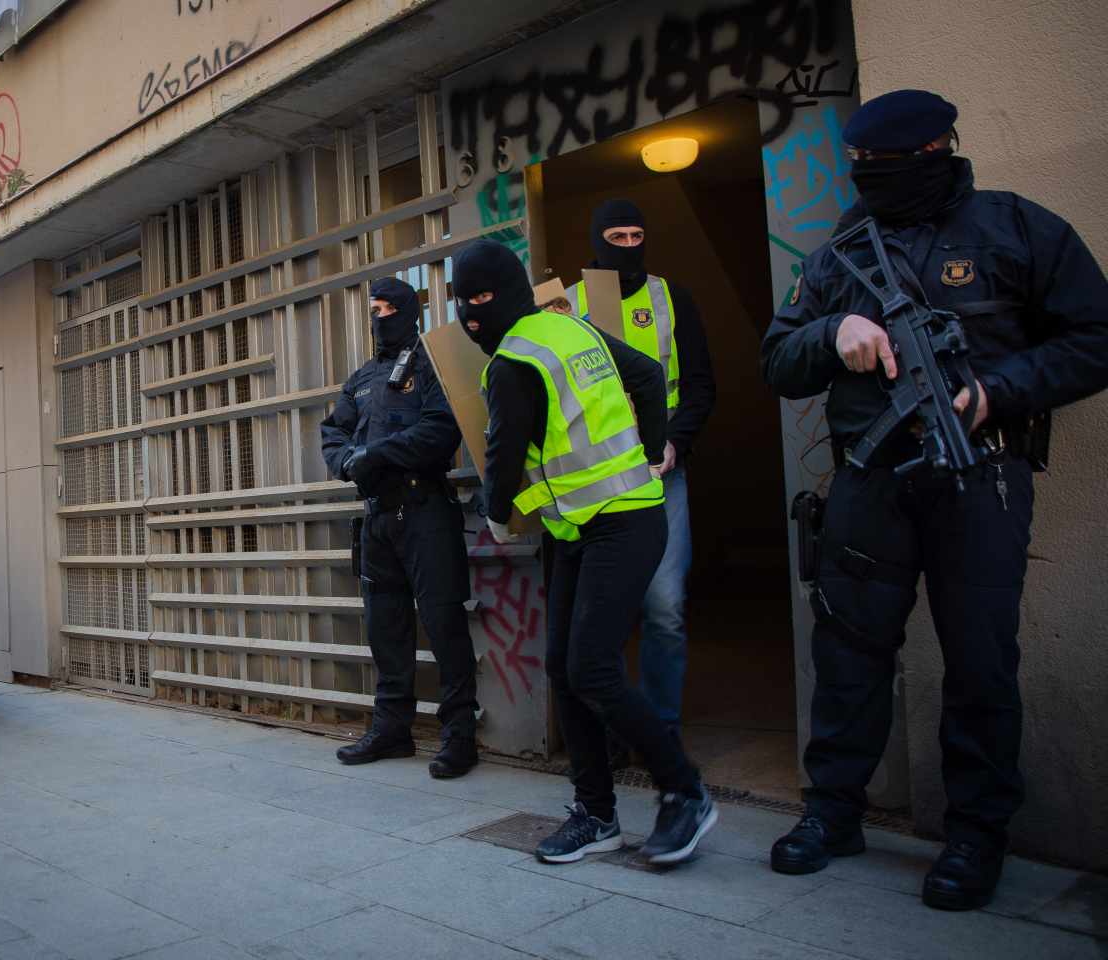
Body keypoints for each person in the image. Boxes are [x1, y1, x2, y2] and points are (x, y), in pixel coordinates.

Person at [761, 89, 1108, 910]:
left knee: (981, 661)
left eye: (890, 166)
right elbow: (778, 361)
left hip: (978, 474)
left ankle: (976, 834)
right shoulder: (839, 253)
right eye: (864, 169)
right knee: (849, 654)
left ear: (940, 150)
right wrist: (831, 336)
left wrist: (999, 391)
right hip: (869, 482)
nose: (873, 180)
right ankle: (833, 813)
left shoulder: (1017, 229)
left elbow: (1096, 339)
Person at [457, 238, 716, 865]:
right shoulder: (567, 328)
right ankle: (596, 814)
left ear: (509, 293)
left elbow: (503, 458)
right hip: (584, 526)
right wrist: (654, 452)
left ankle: (685, 792)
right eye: (460, 303)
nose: (471, 316)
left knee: (591, 667)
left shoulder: (513, 365)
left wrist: (494, 516)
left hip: (622, 523)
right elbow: (649, 378)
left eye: (481, 300)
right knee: (562, 668)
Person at [567, 200, 717, 744]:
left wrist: (676, 443)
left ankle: (661, 728)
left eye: (637, 235)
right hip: (595, 481)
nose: (629, 246)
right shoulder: (570, 306)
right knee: (601, 611)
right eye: (617, 236)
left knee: (665, 607)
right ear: (597, 241)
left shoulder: (670, 298)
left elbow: (700, 384)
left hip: (661, 473)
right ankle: (611, 729)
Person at [320, 277, 480, 779]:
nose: (380, 316)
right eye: (375, 308)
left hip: (425, 510)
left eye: (390, 308)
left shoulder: (433, 365)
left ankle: (459, 737)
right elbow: (333, 430)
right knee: (386, 630)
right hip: (378, 519)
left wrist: (375, 454)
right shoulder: (362, 378)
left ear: (410, 312)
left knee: (444, 625)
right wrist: (349, 461)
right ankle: (392, 730)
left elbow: (439, 431)